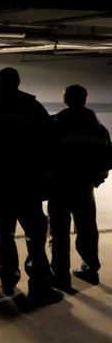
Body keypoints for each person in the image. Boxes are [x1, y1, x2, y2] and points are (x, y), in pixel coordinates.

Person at [0, 67, 62, 305]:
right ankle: (39, 286)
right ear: (18, 83)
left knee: (5, 233)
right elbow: (52, 138)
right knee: (35, 234)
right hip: (26, 181)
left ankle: (8, 280)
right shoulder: (29, 105)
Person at [48, 84, 111, 289]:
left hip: (61, 185)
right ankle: (90, 269)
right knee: (87, 228)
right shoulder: (100, 128)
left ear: (65, 99)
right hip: (86, 186)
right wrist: (97, 179)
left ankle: (60, 275)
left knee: (59, 229)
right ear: (85, 99)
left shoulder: (55, 123)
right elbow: (107, 159)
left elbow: (45, 156)